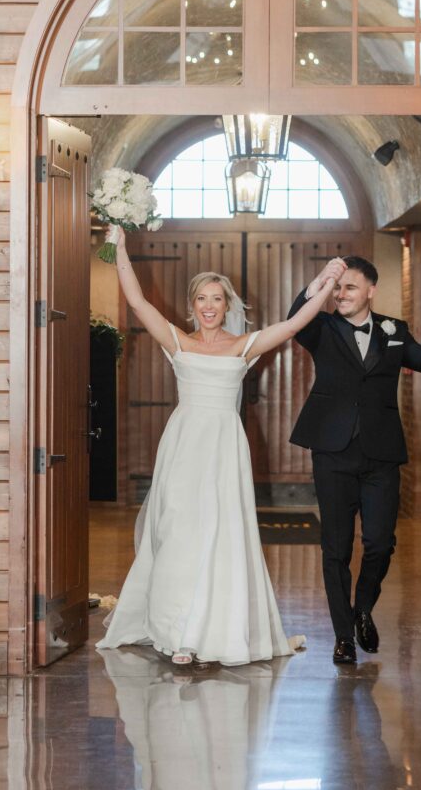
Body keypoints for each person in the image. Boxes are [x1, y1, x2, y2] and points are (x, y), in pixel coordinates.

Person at [96, 227, 346, 666]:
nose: (209, 307)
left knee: (217, 532)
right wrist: (118, 248)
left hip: (224, 451)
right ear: (193, 306)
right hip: (183, 446)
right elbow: (137, 302)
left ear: (226, 305)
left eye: (216, 299)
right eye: (201, 299)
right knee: (176, 532)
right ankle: (175, 632)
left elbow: (293, 324)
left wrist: (325, 285)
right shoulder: (178, 341)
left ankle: (199, 633)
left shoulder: (243, 347)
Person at [288, 256, 421, 666]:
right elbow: (295, 317)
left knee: (380, 542)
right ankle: (344, 635)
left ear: (370, 291)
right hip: (332, 449)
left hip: (381, 454)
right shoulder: (320, 326)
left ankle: (362, 609)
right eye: (338, 289)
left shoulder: (394, 330)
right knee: (335, 547)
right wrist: (320, 280)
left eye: (350, 288)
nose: (341, 295)